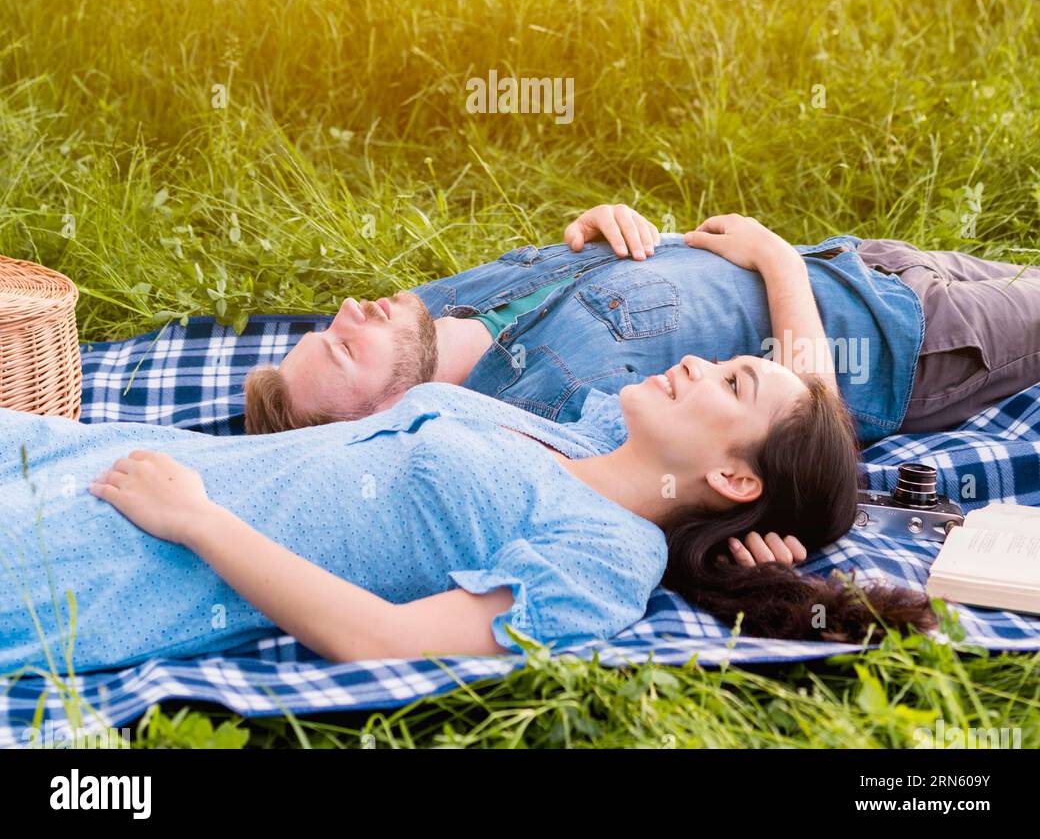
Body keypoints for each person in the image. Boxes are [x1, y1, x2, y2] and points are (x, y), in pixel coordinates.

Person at [0, 347, 933, 677]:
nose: (697, 363)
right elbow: (808, 436)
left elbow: (385, 641)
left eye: (730, 380)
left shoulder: (607, 556)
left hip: (120, 556)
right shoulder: (590, 438)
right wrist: (755, 558)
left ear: (735, 481)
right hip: (104, 460)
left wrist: (199, 522)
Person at [246, 206, 1040, 451]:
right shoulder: (550, 414)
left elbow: (618, 286)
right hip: (917, 338)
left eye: (327, 326)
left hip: (859, 259)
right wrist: (774, 262)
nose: (351, 311)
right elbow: (807, 425)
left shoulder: (429, 311)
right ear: (389, 413)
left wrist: (616, 228)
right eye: (345, 347)